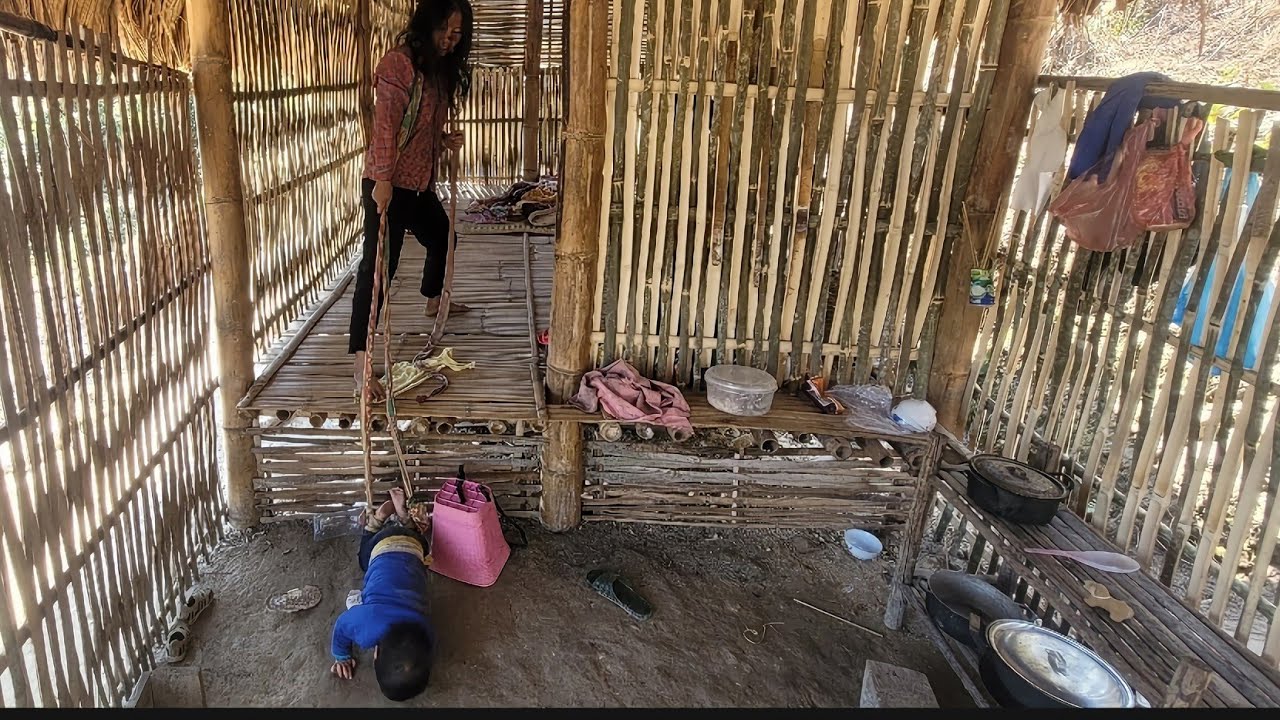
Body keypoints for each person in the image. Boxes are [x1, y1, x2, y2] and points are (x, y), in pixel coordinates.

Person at [351, 0, 475, 401]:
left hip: (419, 184)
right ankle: (362, 366)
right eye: (444, 31)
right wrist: (383, 181)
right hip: (387, 184)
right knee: (378, 271)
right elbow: (386, 129)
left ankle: (433, 301)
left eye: (457, 34)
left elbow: (419, 127)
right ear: (426, 25)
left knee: (443, 237)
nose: (449, 40)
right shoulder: (398, 65)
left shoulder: (435, 72)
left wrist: (443, 140)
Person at [330, 488, 435, 702]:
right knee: (363, 560)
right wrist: (341, 656)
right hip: (381, 544)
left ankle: (405, 520)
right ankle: (376, 521)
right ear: (375, 654)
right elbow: (341, 625)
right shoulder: (367, 623)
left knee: (417, 545)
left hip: (415, 547)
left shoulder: (427, 632)